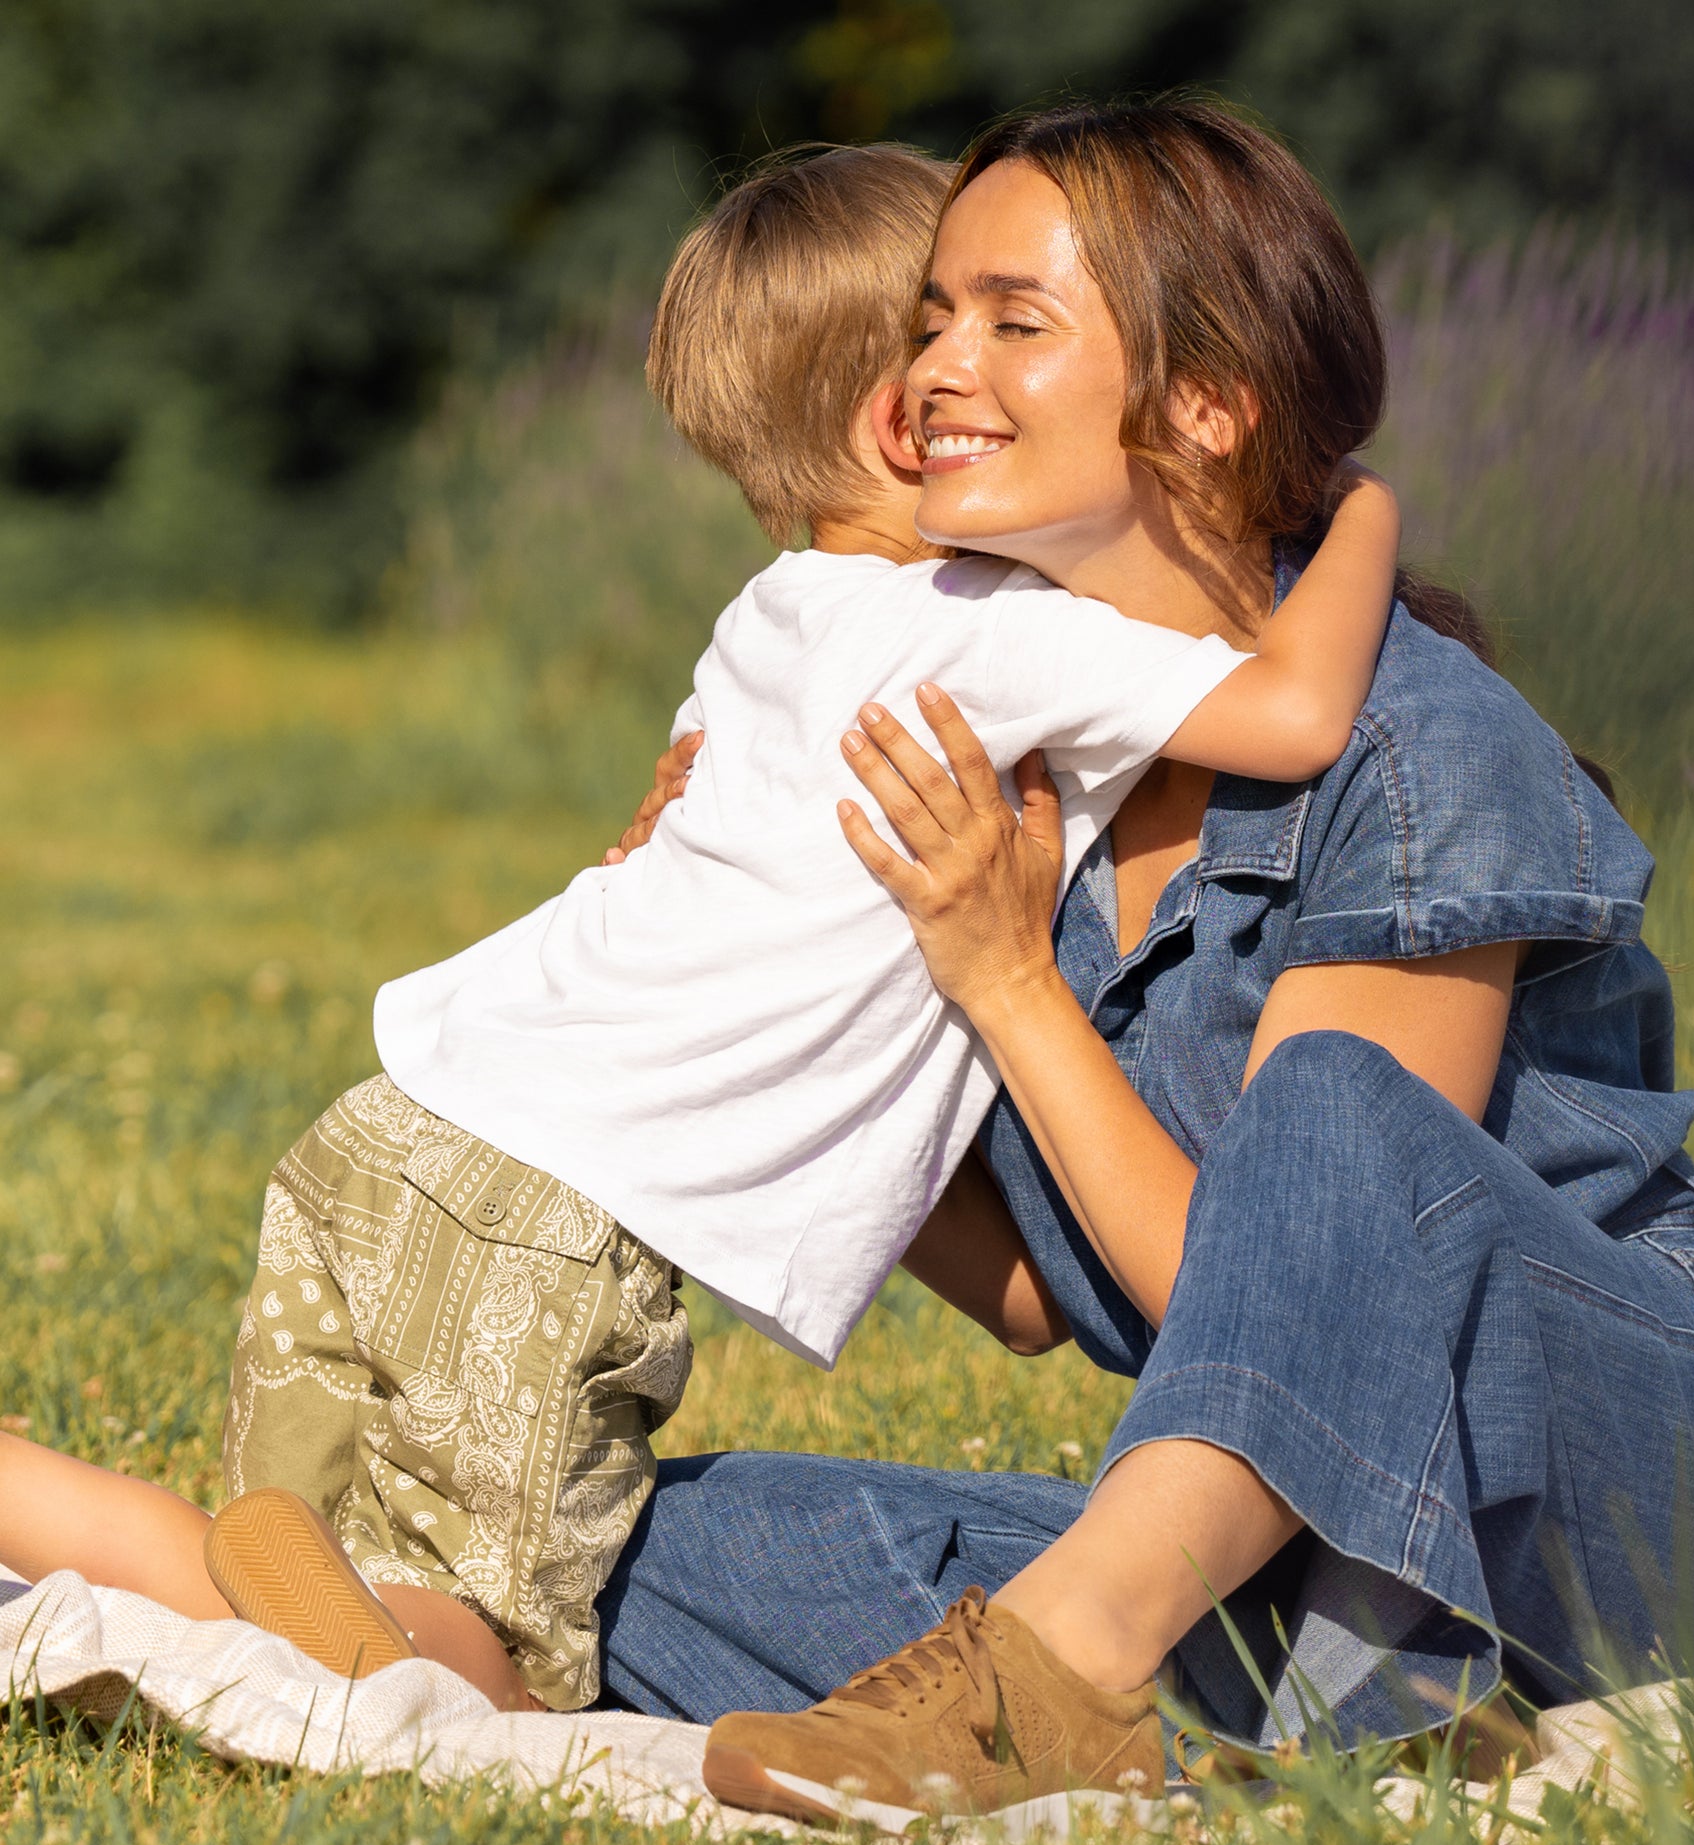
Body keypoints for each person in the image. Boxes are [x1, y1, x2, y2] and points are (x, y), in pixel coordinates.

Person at [586, 99, 1694, 1831]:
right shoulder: (1018, 775)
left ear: (1205, 402)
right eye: (932, 319)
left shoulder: (1416, 751)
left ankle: (1072, 1672)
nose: (937, 369)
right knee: (649, 1551)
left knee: (1332, 1103)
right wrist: (708, 963)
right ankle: (1357, 1700)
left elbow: (1282, 1283)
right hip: (1327, 1537)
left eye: (1014, 323)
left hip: (1688, 1511)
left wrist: (1007, 983)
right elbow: (1034, 1296)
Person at [0, 142, 1400, 1714]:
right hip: (538, 1214)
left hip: (385, 1139)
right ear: (911, 424)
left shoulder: (763, 622)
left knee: (281, 1598)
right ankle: (377, 1639)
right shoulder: (988, 633)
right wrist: (1355, 508)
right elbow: (1295, 712)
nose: (971, 367)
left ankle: (20, 1493)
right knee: (481, 1666)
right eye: (946, 337)